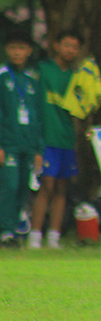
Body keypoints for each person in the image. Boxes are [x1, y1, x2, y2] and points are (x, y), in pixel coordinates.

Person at [28, 31, 82, 249]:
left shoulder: (76, 77)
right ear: (56, 45)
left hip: (66, 139)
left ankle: (54, 238)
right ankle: (34, 236)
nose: (70, 50)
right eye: (67, 45)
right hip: (46, 138)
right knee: (46, 187)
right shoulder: (42, 70)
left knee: (62, 188)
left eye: (74, 47)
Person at [0, 30, 43, 247]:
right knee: (9, 185)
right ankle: (5, 230)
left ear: (29, 51)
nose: (17, 52)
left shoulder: (31, 81)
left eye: (22, 48)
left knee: (23, 188)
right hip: (8, 144)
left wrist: (38, 149)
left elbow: (37, 116)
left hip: (28, 143)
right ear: (7, 50)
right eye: (13, 48)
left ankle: (14, 228)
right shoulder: (2, 77)